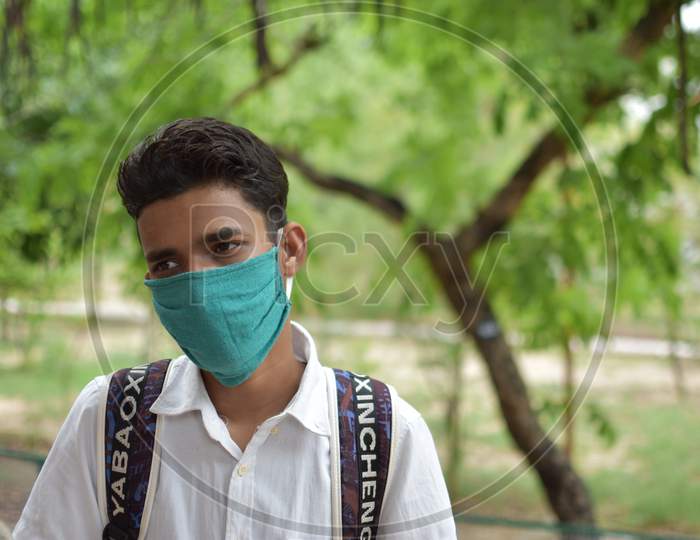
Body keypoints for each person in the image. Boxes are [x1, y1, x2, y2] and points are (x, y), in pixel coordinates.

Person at [13, 117, 457, 539]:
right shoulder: (110, 421)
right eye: (167, 263)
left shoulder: (383, 435)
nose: (199, 287)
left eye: (224, 245)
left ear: (290, 249)